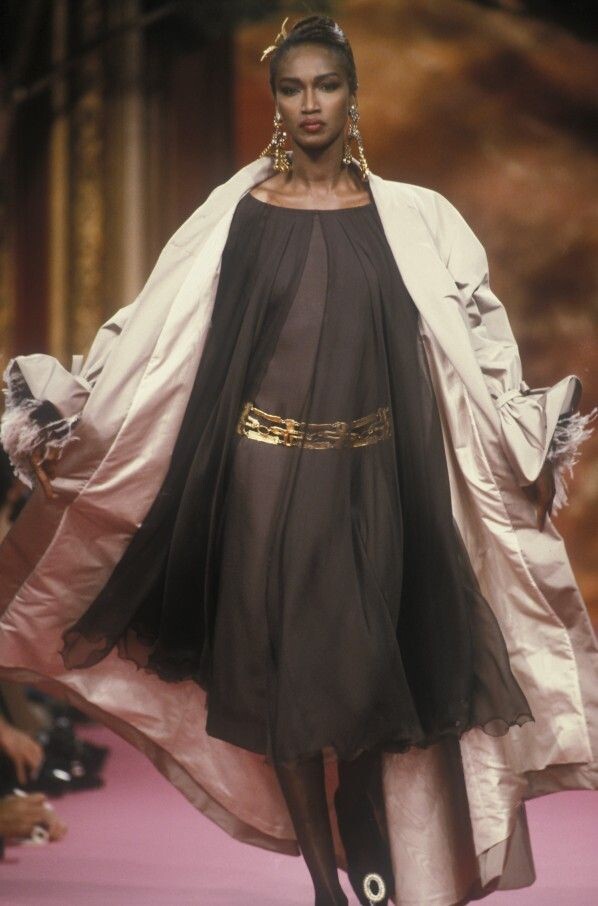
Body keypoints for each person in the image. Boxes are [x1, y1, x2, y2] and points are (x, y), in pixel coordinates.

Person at [0, 14, 596, 906]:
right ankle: (327, 886)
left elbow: (475, 335)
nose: (309, 103)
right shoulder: (235, 216)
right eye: (292, 88)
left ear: (352, 95)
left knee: (368, 683)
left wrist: (521, 429)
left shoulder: (414, 219)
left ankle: (360, 819)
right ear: (278, 101)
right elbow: (155, 329)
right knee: (282, 684)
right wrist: (74, 415)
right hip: (259, 479)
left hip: (375, 480)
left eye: (325, 85)